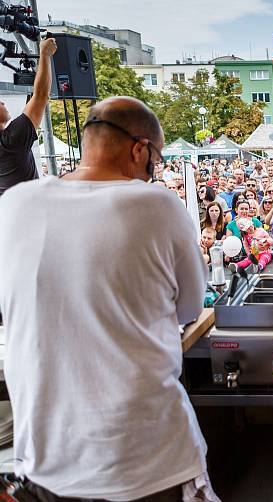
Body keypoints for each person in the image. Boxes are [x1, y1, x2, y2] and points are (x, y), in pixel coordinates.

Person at [0, 96, 218, 499]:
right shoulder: (158, 204)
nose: (156, 170)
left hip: (45, 460)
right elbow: (190, 306)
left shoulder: (13, 203)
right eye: (158, 158)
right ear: (140, 150)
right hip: (143, 458)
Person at [0, 37, 56, 198]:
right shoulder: (11, 141)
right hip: (29, 214)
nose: (3, 102)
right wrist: (45, 54)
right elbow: (41, 96)